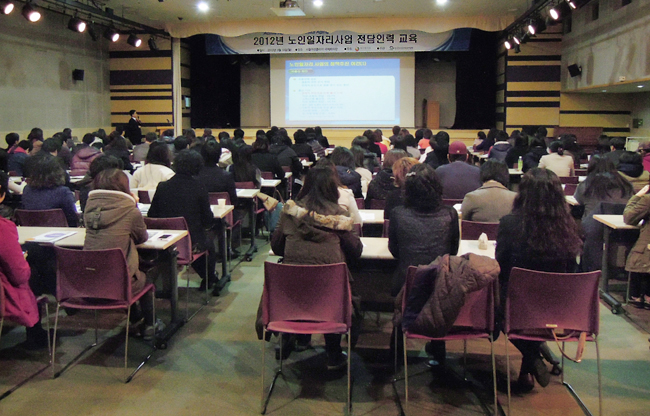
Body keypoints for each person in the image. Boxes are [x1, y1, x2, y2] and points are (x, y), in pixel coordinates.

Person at [496, 168, 583, 391]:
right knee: (532, 310)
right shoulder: (569, 227)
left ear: (522, 193)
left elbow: (501, 265)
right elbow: (571, 271)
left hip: (515, 306)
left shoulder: (509, 223)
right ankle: (530, 362)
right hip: (559, 309)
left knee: (495, 307)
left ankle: (531, 356)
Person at [269, 165, 363, 369]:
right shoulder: (339, 215)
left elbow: (276, 247)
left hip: (290, 297)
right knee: (333, 283)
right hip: (330, 299)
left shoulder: (289, 212)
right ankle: (333, 352)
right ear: (333, 188)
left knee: (302, 276)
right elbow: (356, 251)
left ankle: (296, 339)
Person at [83, 168, 155, 337]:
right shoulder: (130, 210)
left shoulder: (89, 207)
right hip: (119, 283)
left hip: (88, 281)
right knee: (145, 276)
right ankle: (151, 324)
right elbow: (141, 237)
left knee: (123, 270)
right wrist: (134, 204)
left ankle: (135, 318)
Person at [148, 149, 218, 292]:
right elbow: (207, 220)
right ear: (198, 166)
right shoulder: (199, 187)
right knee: (209, 241)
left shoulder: (162, 187)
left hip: (163, 243)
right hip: (190, 243)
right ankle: (209, 277)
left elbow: (151, 215)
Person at [389, 164, 459, 296]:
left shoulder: (397, 214)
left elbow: (394, 250)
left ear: (407, 189)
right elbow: (452, 251)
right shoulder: (450, 214)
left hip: (406, 282)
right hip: (440, 284)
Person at [0, 171, 49, 349]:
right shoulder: (3, 229)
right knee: (33, 271)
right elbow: (19, 275)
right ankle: (36, 335)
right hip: (4, 295)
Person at [21, 155, 78, 227]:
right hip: (60, 232)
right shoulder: (63, 192)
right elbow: (72, 218)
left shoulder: (27, 190)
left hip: (31, 231)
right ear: (59, 173)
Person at [623, 184, 650, 308]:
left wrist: (637, 196)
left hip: (645, 259)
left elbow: (628, 218)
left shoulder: (647, 199)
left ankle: (639, 296)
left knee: (638, 252)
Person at [196, 139, 237, 205]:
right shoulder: (227, 176)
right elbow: (234, 201)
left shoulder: (195, 176)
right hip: (225, 213)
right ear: (219, 156)